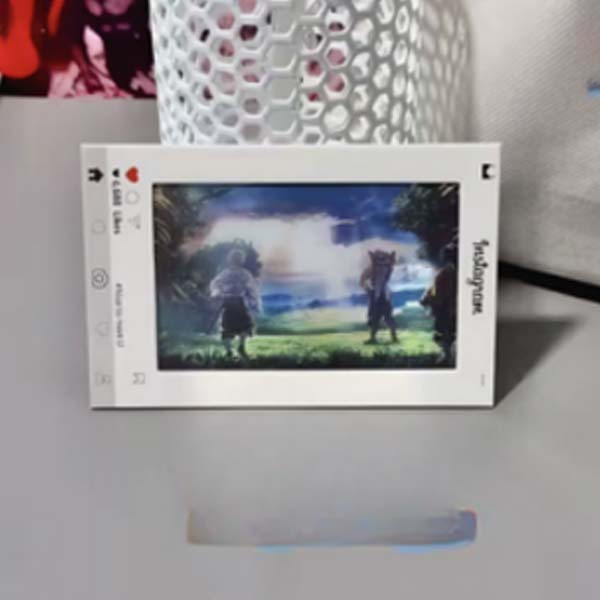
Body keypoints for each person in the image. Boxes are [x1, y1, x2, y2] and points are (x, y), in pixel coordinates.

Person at [209, 249, 261, 359]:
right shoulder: (241, 274)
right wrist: (254, 303)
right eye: (238, 259)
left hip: (233, 301)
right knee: (236, 326)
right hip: (235, 301)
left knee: (237, 326)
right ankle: (234, 350)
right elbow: (251, 289)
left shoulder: (228, 273)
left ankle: (235, 349)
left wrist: (217, 294)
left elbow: (215, 285)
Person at [420, 243, 458, 364]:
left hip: (446, 310)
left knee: (443, 334)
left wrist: (427, 299)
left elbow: (437, 293)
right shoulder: (451, 271)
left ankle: (447, 356)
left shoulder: (445, 273)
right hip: (450, 308)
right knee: (448, 333)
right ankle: (448, 356)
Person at [360, 250, 398, 344]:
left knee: (386, 318)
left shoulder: (385, 269)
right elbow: (362, 280)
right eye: (379, 262)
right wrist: (369, 290)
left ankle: (393, 338)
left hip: (383, 297)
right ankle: (374, 338)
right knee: (375, 318)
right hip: (377, 297)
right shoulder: (372, 269)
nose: (381, 265)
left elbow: (363, 280)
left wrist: (369, 290)